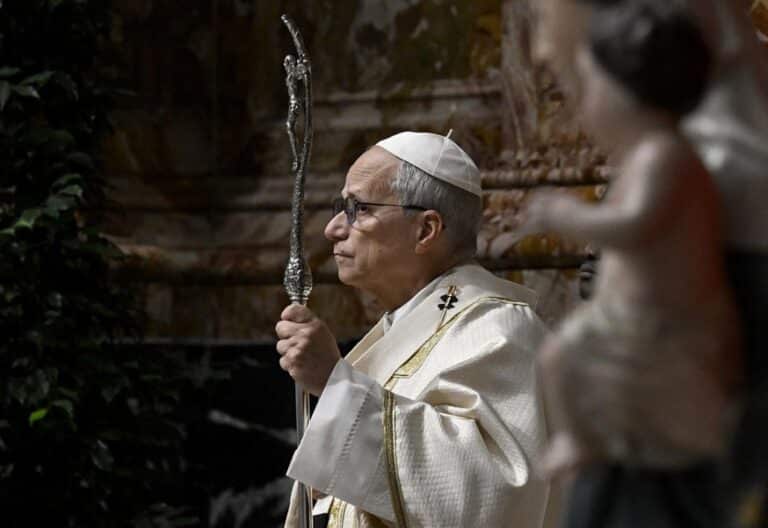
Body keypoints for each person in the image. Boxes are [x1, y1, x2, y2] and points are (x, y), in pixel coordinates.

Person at [275, 131, 551, 528]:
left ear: (425, 230)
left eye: (358, 209)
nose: (333, 229)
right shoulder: (401, 327)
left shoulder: (501, 330)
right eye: (340, 207)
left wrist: (335, 386)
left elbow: (491, 496)